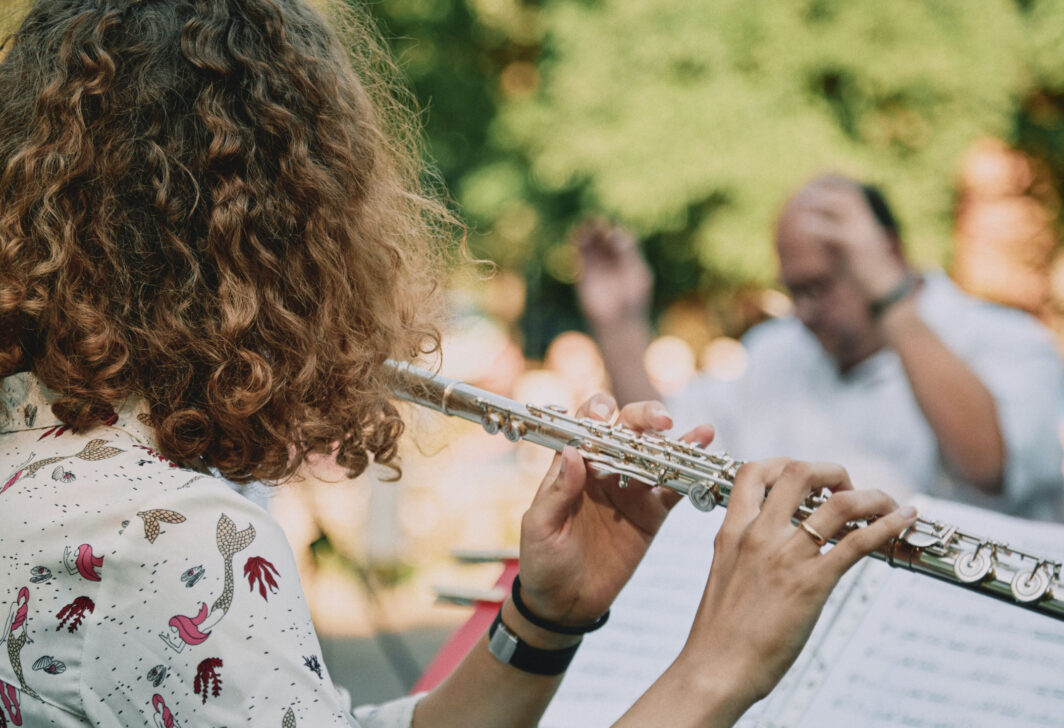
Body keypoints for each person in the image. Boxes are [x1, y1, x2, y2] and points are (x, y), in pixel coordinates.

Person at [0, 2, 917, 727]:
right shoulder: (162, 533)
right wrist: (722, 665)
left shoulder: (42, 465)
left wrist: (544, 620)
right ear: (283, 232)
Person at [577, 175, 1064, 520]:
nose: (804, 310)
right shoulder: (776, 350)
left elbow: (992, 468)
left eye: (821, 287)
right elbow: (670, 450)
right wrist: (619, 325)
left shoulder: (1008, 339)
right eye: (795, 290)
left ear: (889, 253)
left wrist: (889, 296)